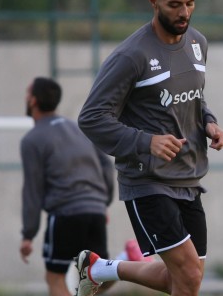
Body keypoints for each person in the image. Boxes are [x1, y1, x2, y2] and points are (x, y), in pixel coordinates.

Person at [75, 0, 223, 295]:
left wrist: (209, 122)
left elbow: (194, 99)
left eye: (190, 3)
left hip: (188, 177)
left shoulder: (198, 43)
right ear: (153, 2)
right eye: (174, 5)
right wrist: (147, 141)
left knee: (187, 279)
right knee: (187, 273)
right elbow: (91, 118)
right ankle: (101, 269)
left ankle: (100, 268)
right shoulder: (131, 56)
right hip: (147, 180)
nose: (184, 12)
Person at [19, 77, 146, 296]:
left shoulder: (32, 140)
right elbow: (106, 166)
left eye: (27, 93)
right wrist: (102, 203)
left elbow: (32, 191)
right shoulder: (79, 130)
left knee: (55, 279)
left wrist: (28, 234)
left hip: (65, 215)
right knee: (94, 275)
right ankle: (125, 258)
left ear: (33, 101)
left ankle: (124, 260)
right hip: (95, 211)